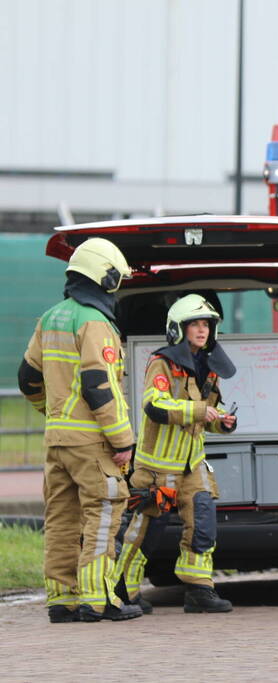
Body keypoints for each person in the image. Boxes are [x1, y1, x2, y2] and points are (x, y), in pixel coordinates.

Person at [18, 237, 142, 623]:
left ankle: (62, 600)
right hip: (91, 443)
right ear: (105, 278)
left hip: (57, 441)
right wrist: (123, 442)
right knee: (105, 512)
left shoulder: (51, 316)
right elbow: (99, 386)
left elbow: (27, 380)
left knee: (61, 519)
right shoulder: (95, 323)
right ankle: (97, 599)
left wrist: (54, 414)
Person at [113, 294, 237, 613]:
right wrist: (198, 410)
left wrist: (223, 421)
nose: (202, 330)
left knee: (203, 523)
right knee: (146, 531)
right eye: (194, 324)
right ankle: (123, 589)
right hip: (159, 471)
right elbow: (155, 405)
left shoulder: (209, 365)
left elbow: (209, 411)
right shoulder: (162, 363)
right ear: (178, 329)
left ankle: (199, 590)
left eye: (206, 324)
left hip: (192, 465)